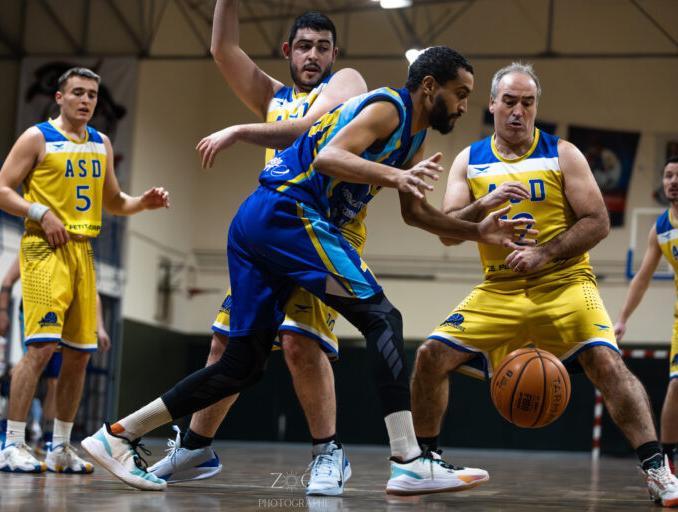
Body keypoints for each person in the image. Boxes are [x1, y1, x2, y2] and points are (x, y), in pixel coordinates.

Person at [83, 46, 538, 495]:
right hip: (287, 213)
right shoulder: (389, 108)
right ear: (430, 87)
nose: (464, 106)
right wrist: (394, 175)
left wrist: (479, 229)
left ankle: (118, 435)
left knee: (242, 365)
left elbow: (416, 215)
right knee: (382, 318)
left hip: (258, 225)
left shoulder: (414, 139)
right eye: (461, 94)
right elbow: (328, 158)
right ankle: (409, 460)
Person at [410, 62, 678, 507]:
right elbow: (447, 231)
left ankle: (658, 470)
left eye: (528, 103)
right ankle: (426, 463)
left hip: (565, 282)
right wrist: (486, 203)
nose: (518, 111)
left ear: (536, 107)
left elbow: (598, 221)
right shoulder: (469, 160)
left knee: (607, 361)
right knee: (429, 356)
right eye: (510, 102)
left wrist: (544, 253)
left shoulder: (562, 153)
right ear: (492, 104)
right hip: (499, 288)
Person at [148, 2, 367, 496]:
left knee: (299, 342)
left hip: (323, 235)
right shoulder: (273, 97)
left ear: (335, 54)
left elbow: (312, 126)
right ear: (288, 51)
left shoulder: (347, 84)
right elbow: (223, 49)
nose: (313, 55)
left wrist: (238, 130)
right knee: (225, 343)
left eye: (323, 47)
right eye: (304, 46)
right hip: (272, 237)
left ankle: (329, 453)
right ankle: (197, 449)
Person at [0, 66, 169, 474]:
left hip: (83, 251)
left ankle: (59, 448)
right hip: (44, 248)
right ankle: (11, 444)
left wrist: (143, 202)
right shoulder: (37, 137)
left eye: (91, 94)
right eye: (77, 92)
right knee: (40, 349)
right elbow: (0, 191)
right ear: (60, 97)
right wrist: (40, 212)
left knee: (79, 356)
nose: (86, 100)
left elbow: (114, 202)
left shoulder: (101, 143)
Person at [0, 256, 111, 452]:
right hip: (36, 309)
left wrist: (101, 327)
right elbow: (8, 280)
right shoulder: (38, 245)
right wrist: (2, 311)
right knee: (34, 365)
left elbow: (92, 293)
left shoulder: (78, 252)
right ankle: (4, 423)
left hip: (65, 316)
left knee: (55, 380)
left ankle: (47, 435)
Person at [614, 155, 678, 479]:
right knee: (676, 385)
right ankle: (667, 464)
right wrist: (623, 318)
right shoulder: (661, 229)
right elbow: (642, 278)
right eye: (668, 175)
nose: (673, 182)